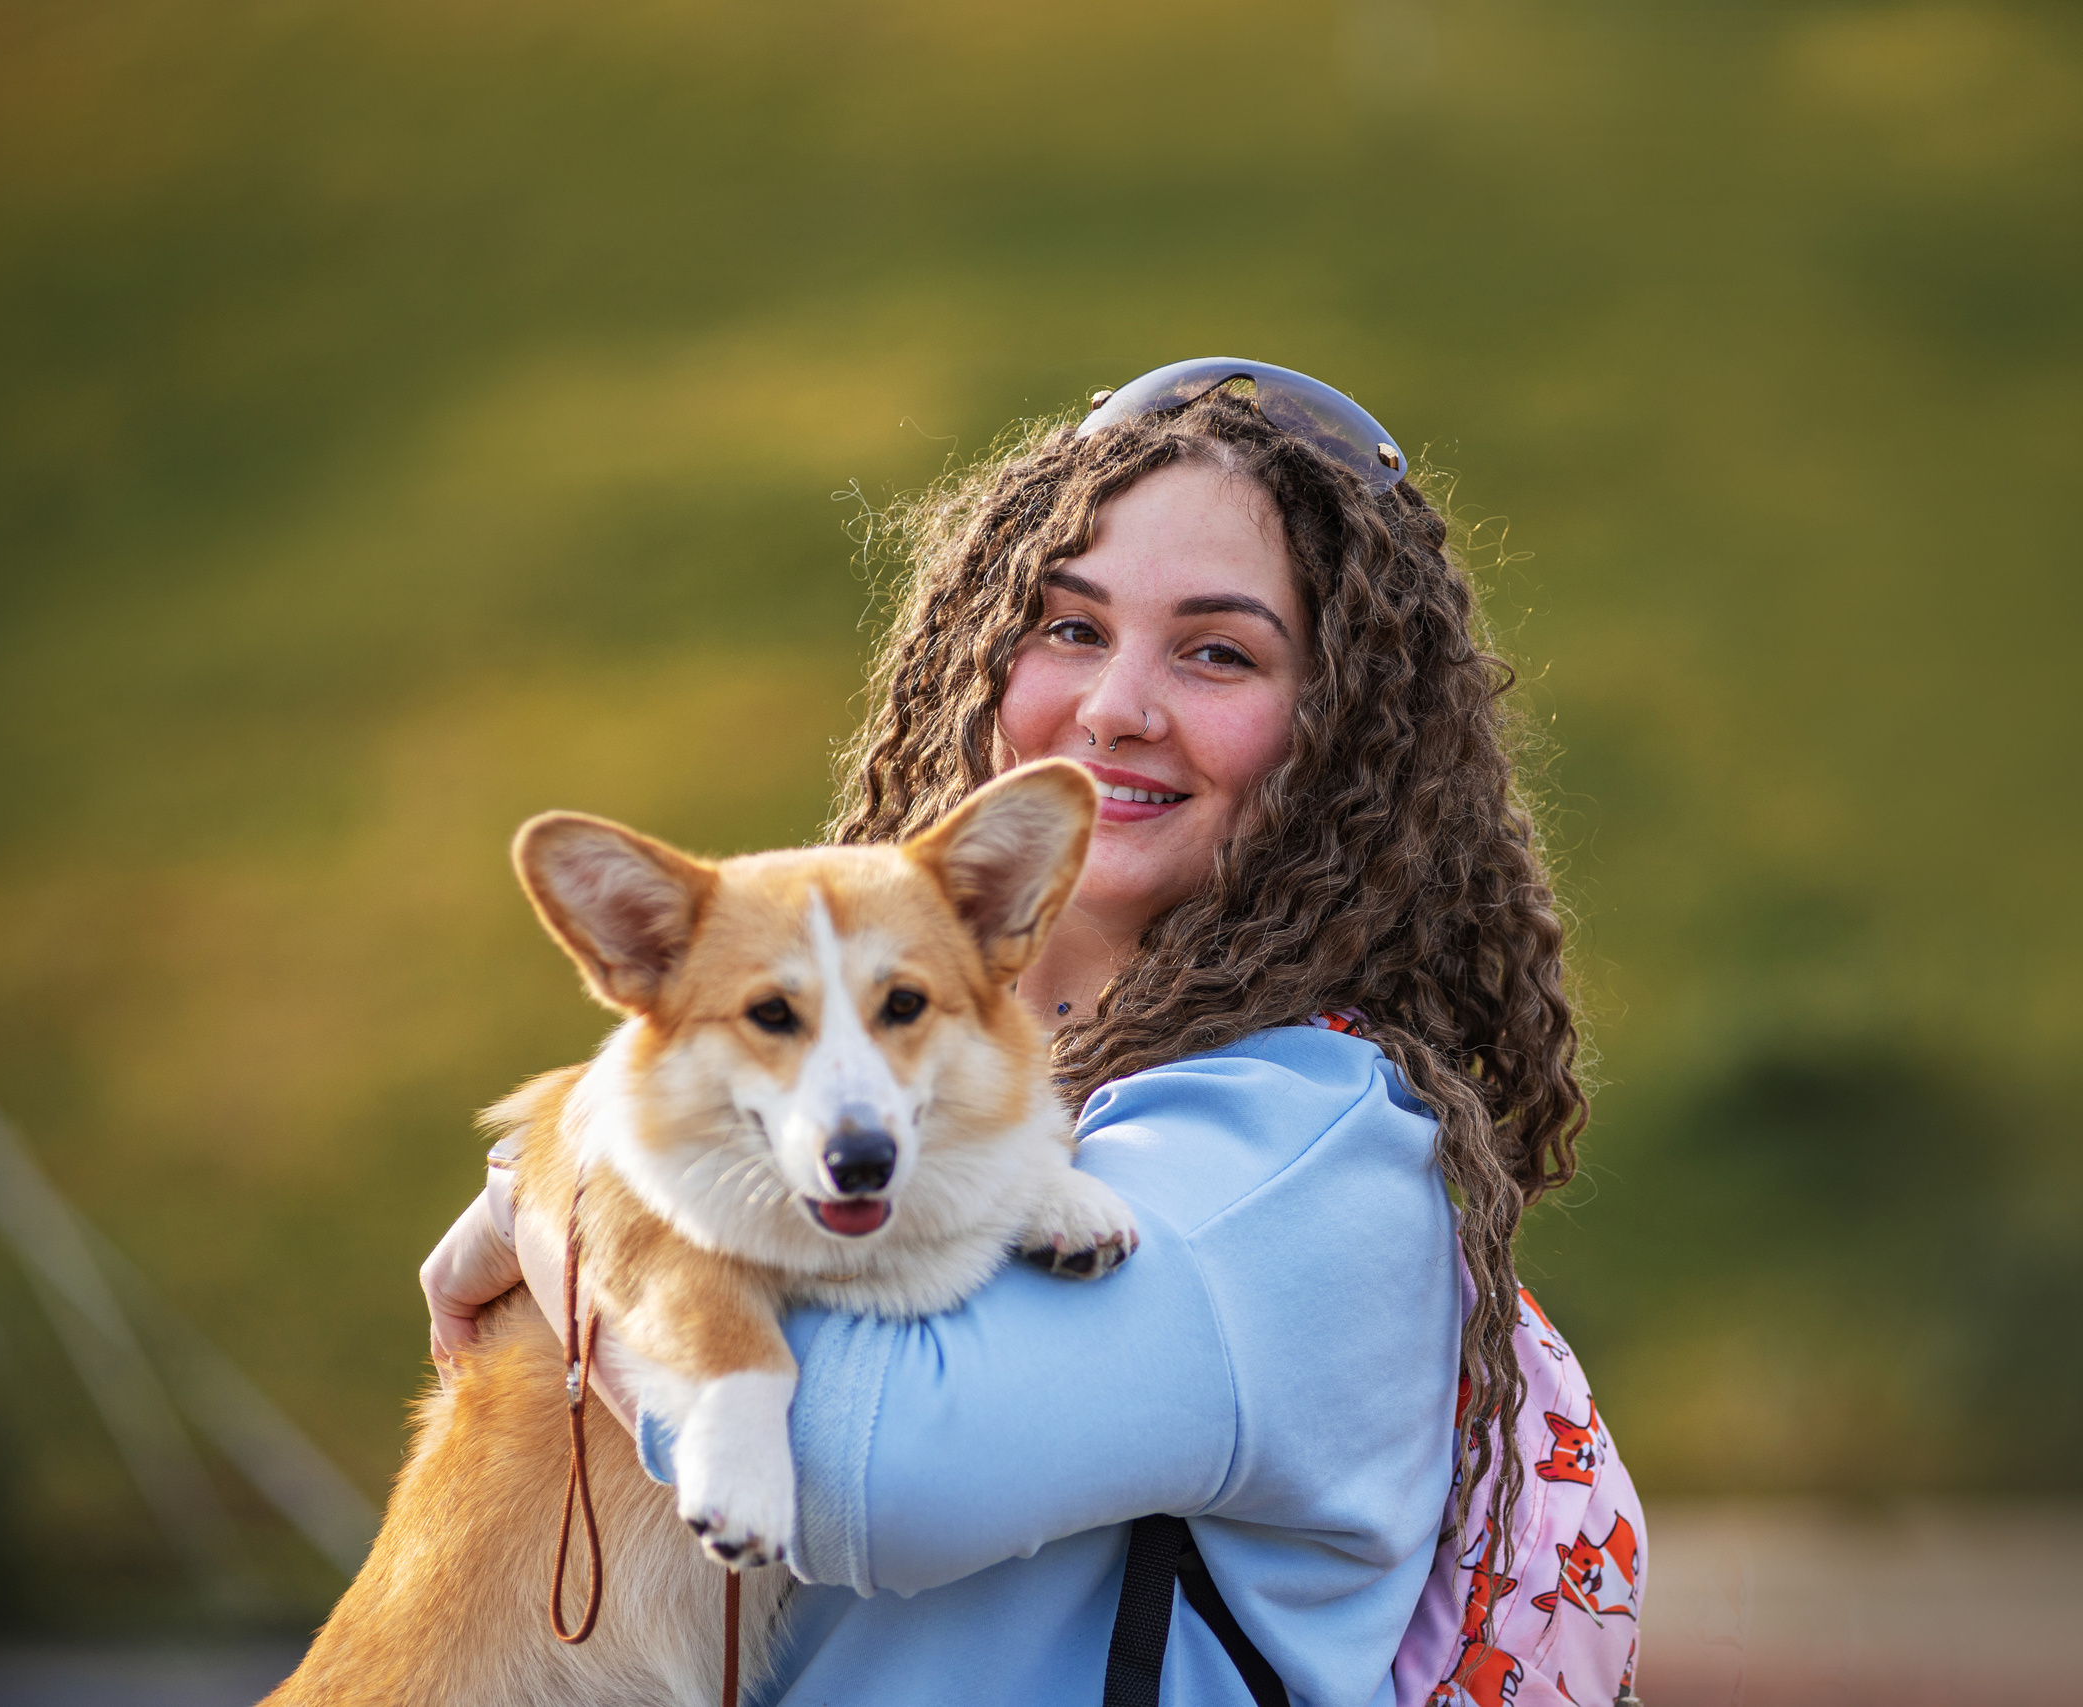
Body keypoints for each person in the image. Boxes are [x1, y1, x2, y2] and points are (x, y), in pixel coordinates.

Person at [423, 359, 1607, 1706]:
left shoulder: (1293, 1148)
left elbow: (860, 1473)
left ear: (1347, 735)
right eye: (1070, 627)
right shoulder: (952, 1075)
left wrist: (562, 1194)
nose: (1116, 709)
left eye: (1219, 652)